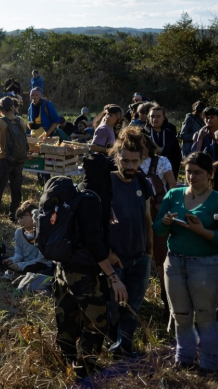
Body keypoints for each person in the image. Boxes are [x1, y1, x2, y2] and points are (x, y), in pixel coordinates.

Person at [46, 176, 128, 378]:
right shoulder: (90, 200)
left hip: (61, 268)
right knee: (96, 323)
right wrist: (113, 277)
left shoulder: (72, 196)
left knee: (66, 317)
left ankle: (65, 363)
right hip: (83, 273)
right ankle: (84, 368)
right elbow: (94, 243)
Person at [155, 153, 218, 373]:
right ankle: (184, 357)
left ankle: (210, 362)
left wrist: (202, 231)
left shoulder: (216, 199)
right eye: (188, 171)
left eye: (198, 172)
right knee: (180, 314)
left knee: (205, 315)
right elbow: (158, 229)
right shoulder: (173, 194)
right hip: (174, 263)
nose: (191, 176)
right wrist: (165, 222)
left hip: (205, 264)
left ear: (210, 174)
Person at [104, 128, 153, 357]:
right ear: (116, 157)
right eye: (125, 160)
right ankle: (110, 343)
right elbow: (95, 225)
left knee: (133, 306)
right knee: (112, 305)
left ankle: (124, 347)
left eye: (135, 161)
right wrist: (109, 253)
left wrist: (149, 252)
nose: (131, 166)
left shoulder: (142, 182)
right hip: (116, 258)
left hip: (140, 256)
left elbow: (147, 218)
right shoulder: (106, 183)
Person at [0, 97, 27, 222]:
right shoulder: (21, 121)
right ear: (13, 107)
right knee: (16, 189)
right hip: (19, 160)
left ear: (0, 108)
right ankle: (15, 216)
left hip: (4, 159)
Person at [2, 201, 52, 275]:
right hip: (25, 265)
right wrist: (11, 261)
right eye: (18, 218)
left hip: (40, 266)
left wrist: (19, 266)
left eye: (22, 217)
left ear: (33, 216)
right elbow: (19, 254)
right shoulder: (19, 232)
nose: (19, 221)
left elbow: (41, 260)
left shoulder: (43, 233)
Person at [148, 105, 182, 178]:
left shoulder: (170, 134)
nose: (154, 119)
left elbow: (177, 156)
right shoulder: (144, 133)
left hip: (168, 172)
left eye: (158, 116)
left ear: (163, 118)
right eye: (152, 116)